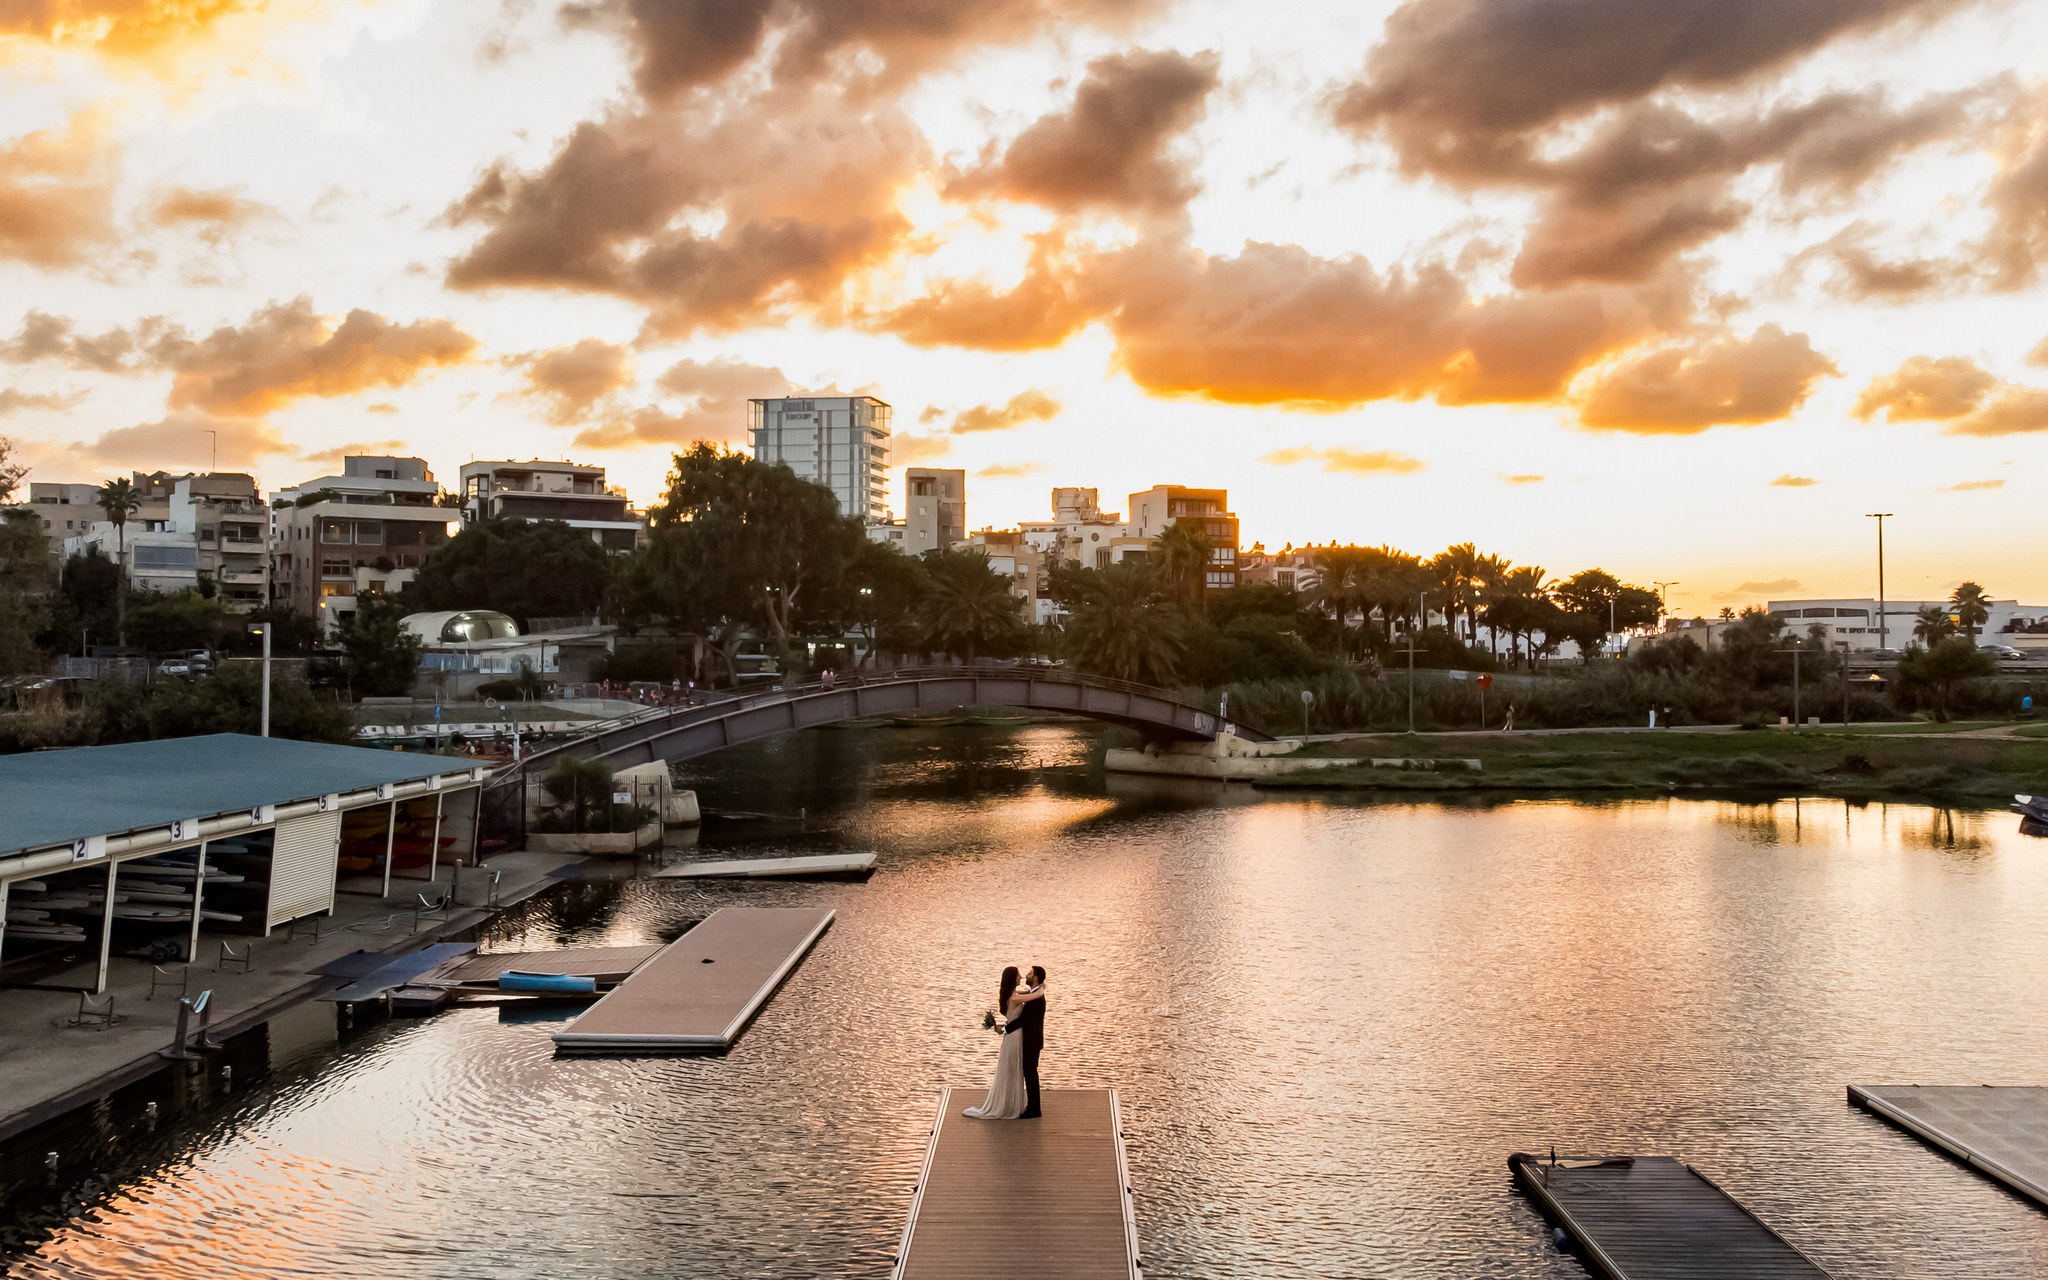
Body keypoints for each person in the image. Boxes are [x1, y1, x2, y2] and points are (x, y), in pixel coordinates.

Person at [964, 966, 1041, 1119]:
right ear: (1013, 978)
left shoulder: (1011, 995)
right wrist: (1042, 988)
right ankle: (1008, 1105)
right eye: (1018, 975)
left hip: (1012, 1033)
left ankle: (1010, 1103)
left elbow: (1027, 995)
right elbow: (1034, 995)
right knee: (1012, 1070)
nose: (1021, 977)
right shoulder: (1014, 998)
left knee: (1011, 1069)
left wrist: (1004, 1026)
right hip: (1015, 1036)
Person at [1004, 965, 1047, 1119]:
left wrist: (1006, 1029)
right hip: (1030, 1040)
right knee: (1030, 1073)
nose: (1026, 976)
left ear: (1035, 978)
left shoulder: (1036, 998)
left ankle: (1034, 1109)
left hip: (1031, 1041)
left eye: (1029, 973)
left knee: (1030, 1073)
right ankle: (1032, 1107)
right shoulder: (1033, 994)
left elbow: (1024, 1019)